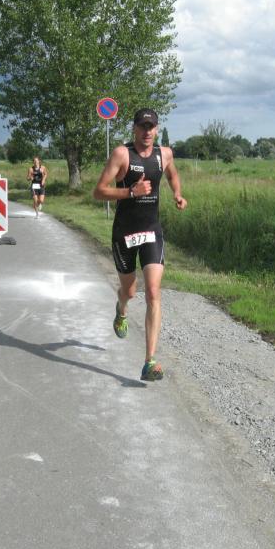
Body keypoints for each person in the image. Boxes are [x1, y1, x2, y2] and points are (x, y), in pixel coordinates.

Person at [92, 108, 187, 381]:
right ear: (134, 128)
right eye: (142, 126)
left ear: (156, 129)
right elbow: (99, 191)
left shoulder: (164, 154)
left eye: (151, 127)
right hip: (124, 233)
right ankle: (121, 310)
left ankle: (149, 361)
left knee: (153, 292)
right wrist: (130, 191)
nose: (147, 132)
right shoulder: (122, 154)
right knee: (130, 291)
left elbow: (172, 175)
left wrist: (178, 194)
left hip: (151, 231)